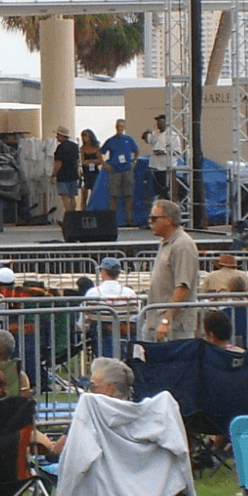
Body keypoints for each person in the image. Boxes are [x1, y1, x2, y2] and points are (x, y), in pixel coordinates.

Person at [145, 199, 198, 341]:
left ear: (168, 220)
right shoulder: (167, 243)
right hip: (155, 321)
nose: (150, 222)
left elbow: (182, 287)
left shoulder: (182, 245)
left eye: (154, 218)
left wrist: (166, 321)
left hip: (174, 328)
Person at [101, 119, 139, 227]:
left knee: (128, 195)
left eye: (122, 126)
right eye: (118, 126)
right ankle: (112, 220)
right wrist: (104, 165)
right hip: (115, 171)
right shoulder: (110, 140)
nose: (120, 128)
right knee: (113, 195)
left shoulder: (129, 139)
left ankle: (130, 219)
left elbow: (136, 151)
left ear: (124, 127)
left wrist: (134, 161)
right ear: (115, 127)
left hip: (127, 170)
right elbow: (100, 152)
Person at [144, 114, 177, 201]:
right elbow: (147, 140)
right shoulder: (155, 133)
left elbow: (178, 152)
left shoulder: (173, 135)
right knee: (158, 190)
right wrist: (145, 134)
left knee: (167, 189)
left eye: (161, 121)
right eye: (158, 122)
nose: (159, 124)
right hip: (156, 166)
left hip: (167, 167)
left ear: (166, 123)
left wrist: (163, 152)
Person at [52, 126, 81, 217]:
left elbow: (58, 163)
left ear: (61, 136)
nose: (56, 137)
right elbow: (77, 161)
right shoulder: (75, 146)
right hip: (73, 174)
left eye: (58, 135)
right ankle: (74, 215)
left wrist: (53, 175)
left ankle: (69, 216)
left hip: (63, 175)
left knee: (65, 197)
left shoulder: (60, 148)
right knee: (72, 197)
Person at [78, 128, 103, 204]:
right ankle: (83, 210)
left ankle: (95, 208)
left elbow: (100, 160)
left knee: (95, 192)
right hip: (86, 172)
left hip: (94, 172)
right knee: (84, 193)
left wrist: (91, 161)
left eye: (86, 136)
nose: (84, 138)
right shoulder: (82, 149)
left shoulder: (96, 148)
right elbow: (83, 161)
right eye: (83, 136)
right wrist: (89, 162)